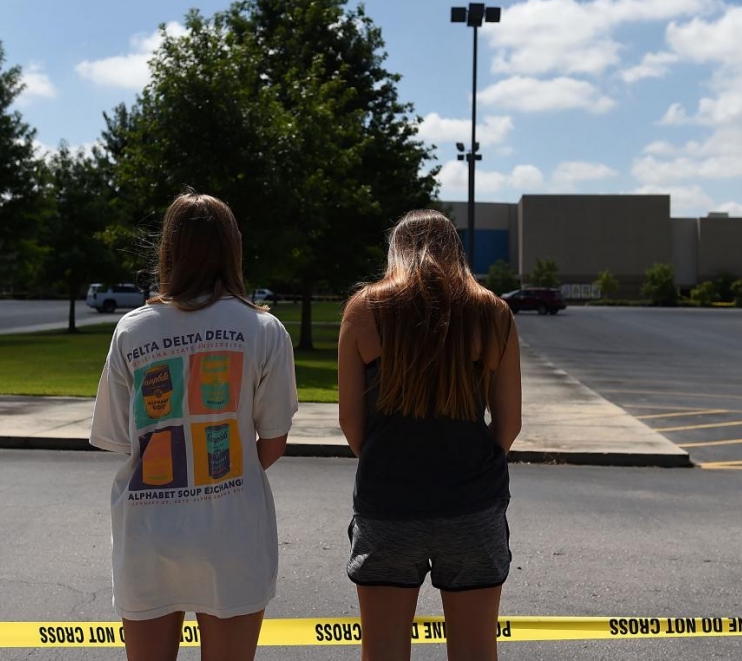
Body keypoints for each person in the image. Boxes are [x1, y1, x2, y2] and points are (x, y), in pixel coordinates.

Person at [90, 191, 298, 661]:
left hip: (147, 534)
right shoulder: (264, 330)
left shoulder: (132, 330)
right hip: (232, 533)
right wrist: (226, 469)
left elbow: (121, 440)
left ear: (169, 249)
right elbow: (273, 441)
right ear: (233, 248)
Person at [337, 209, 522, 661]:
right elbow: (509, 424)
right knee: (476, 649)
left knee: (381, 650)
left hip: (388, 502)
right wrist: (473, 463)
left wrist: (388, 458)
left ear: (394, 251)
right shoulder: (492, 312)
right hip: (472, 502)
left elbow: (351, 424)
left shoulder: (365, 309)